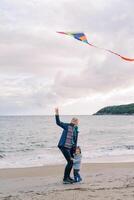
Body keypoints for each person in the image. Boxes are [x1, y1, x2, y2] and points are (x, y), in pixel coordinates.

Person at [55, 108, 79, 184]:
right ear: (72, 121)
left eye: (76, 121)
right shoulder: (67, 126)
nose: (75, 121)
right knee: (70, 161)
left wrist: (75, 150)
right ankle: (65, 178)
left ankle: (68, 177)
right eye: (73, 120)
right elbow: (58, 123)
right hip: (64, 146)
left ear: (77, 122)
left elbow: (74, 141)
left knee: (71, 162)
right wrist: (57, 113)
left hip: (70, 148)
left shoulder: (75, 130)